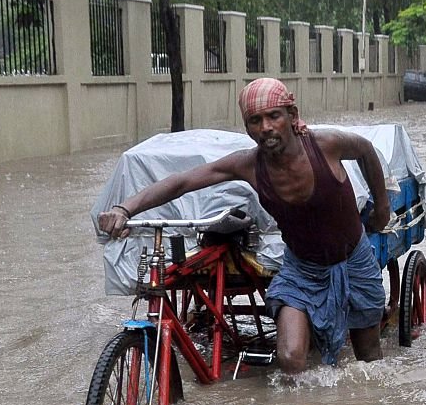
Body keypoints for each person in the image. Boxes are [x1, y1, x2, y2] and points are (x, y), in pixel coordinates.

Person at [98, 78, 390, 373]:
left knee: (368, 357)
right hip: (302, 269)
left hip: (353, 260)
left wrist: (382, 208)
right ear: (247, 128)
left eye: (273, 116)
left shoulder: (326, 145)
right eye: (255, 120)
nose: (265, 127)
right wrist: (125, 208)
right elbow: (182, 182)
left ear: (292, 115)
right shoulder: (248, 164)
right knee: (290, 359)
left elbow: (366, 151)